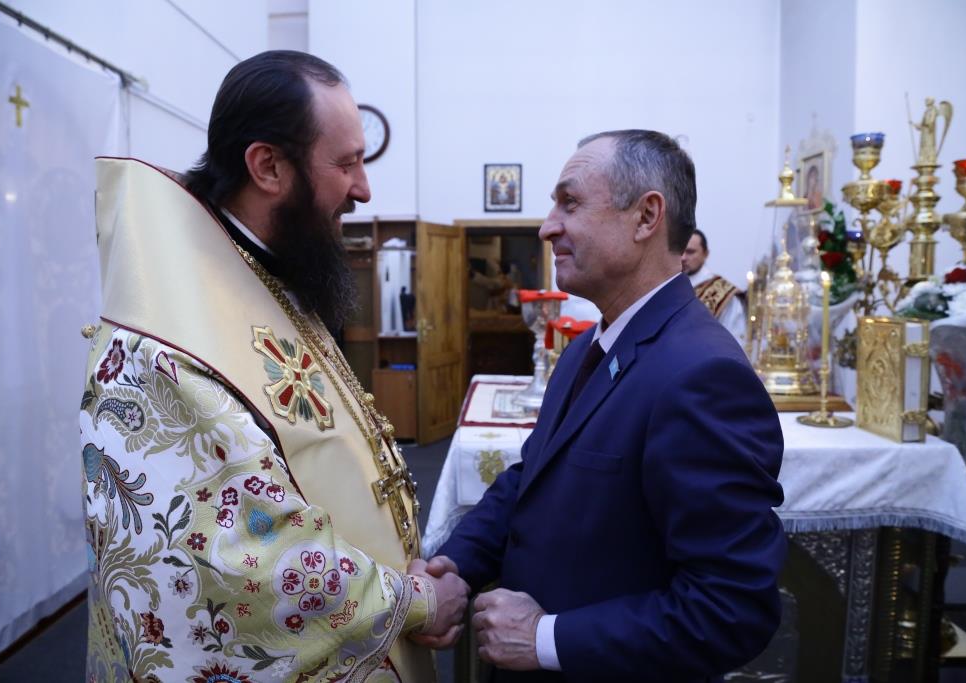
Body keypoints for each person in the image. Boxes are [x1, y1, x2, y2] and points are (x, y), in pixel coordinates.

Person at [79, 51, 467, 682]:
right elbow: (244, 562)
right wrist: (414, 601)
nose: (364, 188)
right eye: (346, 163)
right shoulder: (166, 342)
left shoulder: (269, 276)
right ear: (267, 166)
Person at [420, 130, 786, 681]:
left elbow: (731, 610)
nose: (547, 227)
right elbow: (532, 477)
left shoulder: (703, 375)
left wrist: (546, 638)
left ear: (646, 217)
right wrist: (457, 565)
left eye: (569, 203)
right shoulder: (586, 349)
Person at [682, 228, 747, 344]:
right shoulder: (668, 284)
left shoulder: (724, 293)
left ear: (706, 254)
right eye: (680, 251)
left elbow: (734, 341)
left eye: (690, 252)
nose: (683, 258)